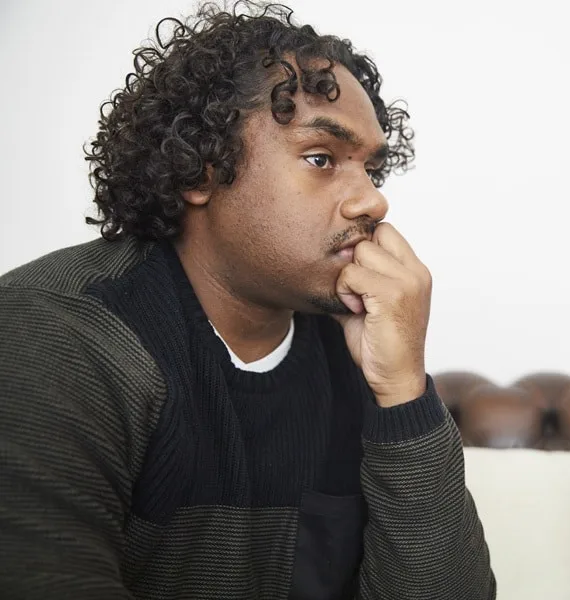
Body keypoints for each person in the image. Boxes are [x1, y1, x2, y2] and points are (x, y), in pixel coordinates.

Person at [0, 2, 495, 599]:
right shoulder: (56, 333)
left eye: (372, 169)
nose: (373, 203)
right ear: (199, 171)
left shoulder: (364, 348)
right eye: (321, 158)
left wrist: (402, 393)